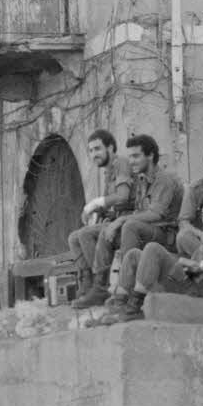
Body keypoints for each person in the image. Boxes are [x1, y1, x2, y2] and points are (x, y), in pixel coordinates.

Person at [73, 134, 184, 308]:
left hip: (165, 235)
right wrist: (112, 221)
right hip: (146, 230)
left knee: (129, 225)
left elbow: (156, 214)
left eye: (136, 156)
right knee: (107, 230)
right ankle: (100, 287)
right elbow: (138, 210)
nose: (131, 161)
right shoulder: (141, 179)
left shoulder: (165, 180)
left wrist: (122, 220)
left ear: (150, 156)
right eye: (130, 156)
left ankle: (127, 287)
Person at [103, 192, 203, 322]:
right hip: (187, 277)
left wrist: (199, 265)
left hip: (196, 288)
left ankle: (135, 306)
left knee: (153, 248)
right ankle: (119, 304)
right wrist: (185, 263)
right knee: (134, 254)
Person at [67, 129, 134, 302]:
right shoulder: (108, 171)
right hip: (116, 220)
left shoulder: (122, 163)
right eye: (90, 150)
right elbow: (110, 204)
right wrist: (100, 212)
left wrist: (94, 204)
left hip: (129, 222)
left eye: (97, 149)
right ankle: (87, 284)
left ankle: (101, 286)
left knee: (85, 234)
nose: (93, 154)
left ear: (110, 148)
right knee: (73, 238)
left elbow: (123, 196)